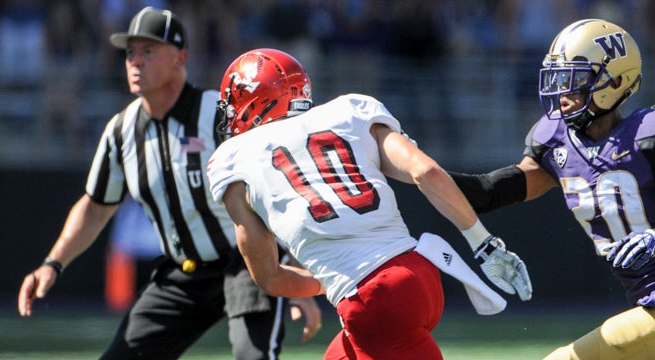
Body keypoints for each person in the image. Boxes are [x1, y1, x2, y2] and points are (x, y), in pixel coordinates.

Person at [16, 7, 321, 359]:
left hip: (247, 262)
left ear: (181, 58)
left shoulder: (219, 114)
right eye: (130, 52)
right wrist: (52, 264)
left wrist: (295, 274)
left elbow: (277, 186)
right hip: (184, 270)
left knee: (253, 357)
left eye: (148, 51)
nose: (135, 62)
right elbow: (96, 206)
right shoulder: (121, 131)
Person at [206, 48, 533, 359]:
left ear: (249, 101)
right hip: (419, 272)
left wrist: (328, 279)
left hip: (374, 301)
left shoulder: (234, 160)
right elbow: (426, 171)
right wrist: (484, 244)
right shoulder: (349, 111)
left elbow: (269, 278)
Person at [447, 19, 655, 359]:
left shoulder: (648, 137)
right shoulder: (558, 146)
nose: (562, 92)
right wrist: (414, 170)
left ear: (615, 81)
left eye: (576, 79)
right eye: (558, 78)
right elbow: (490, 192)